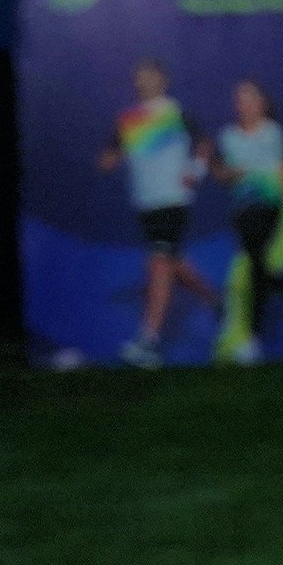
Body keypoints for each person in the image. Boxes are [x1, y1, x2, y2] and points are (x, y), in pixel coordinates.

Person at [97, 58, 203, 369]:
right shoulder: (128, 119)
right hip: (145, 203)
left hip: (173, 199)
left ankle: (149, 342)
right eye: (138, 77)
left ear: (162, 79)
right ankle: (217, 302)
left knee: (158, 262)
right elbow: (110, 155)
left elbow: (203, 144)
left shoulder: (175, 112)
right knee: (172, 263)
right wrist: (108, 159)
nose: (141, 81)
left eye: (147, 76)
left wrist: (194, 171)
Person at [205, 77, 283, 363]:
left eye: (250, 98)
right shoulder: (228, 136)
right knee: (257, 264)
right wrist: (228, 173)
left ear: (263, 103)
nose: (244, 104)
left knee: (256, 264)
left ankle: (253, 342)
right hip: (242, 210)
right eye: (240, 100)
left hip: (269, 207)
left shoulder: (274, 133)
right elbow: (220, 173)